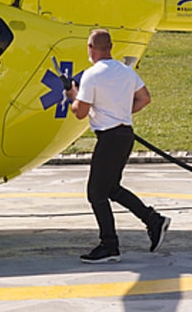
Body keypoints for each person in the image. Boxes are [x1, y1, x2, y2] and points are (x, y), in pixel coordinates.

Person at [65, 28, 170, 263]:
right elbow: (144, 99)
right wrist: (121, 111)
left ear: (90, 49)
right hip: (125, 135)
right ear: (110, 48)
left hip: (109, 138)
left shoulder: (92, 76)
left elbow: (80, 113)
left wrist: (73, 95)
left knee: (96, 194)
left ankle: (109, 245)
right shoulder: (126, 72)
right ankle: (153, 220)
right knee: (111, 188)